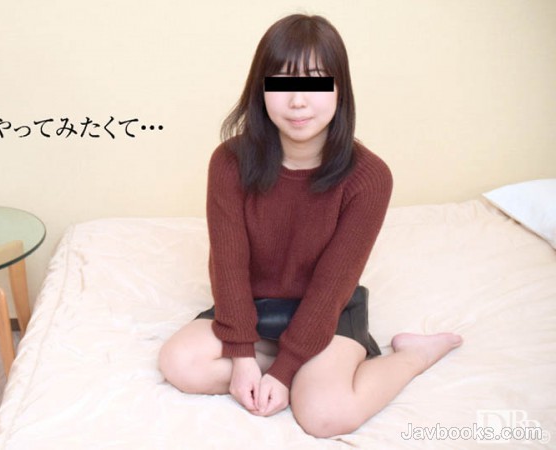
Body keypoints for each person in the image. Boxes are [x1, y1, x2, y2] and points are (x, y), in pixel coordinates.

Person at [158, 14, 463, 438]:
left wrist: (284, 371)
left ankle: (414, 355)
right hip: (255, 305)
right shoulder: (229, 162)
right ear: (261, 89)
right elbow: (229, 267)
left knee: (325, 417)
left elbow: (332, 286)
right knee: (180, 364)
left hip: (327, 310)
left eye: (316, 82)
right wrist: (243, 357)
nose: (298, 101)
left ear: (340, 89)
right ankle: (309, 372)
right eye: (282, 83)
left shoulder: (369, 177)